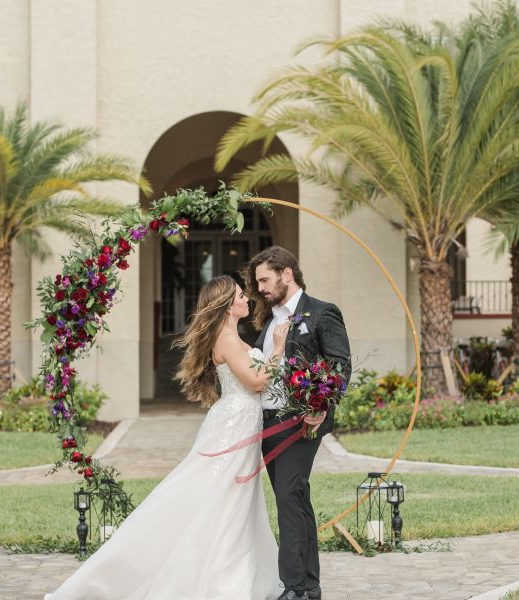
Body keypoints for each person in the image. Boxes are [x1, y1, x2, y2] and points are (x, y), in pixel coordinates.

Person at [45, 274, 288, 600]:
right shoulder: (228, 339)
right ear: (228, 305)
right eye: (240, 295)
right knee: (215, 497)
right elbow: (256, 382)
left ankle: (230, 575)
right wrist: (279, 348)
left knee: (234, 501)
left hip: (241, 423)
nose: (247, 298)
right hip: (233, 426)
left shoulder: (233, 336)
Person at [246, 246, 352, 600]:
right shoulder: (269, 320)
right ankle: (310, 585)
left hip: (304, 420)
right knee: (294, 497)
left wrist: (321, 405)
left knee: (289, 495)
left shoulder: (322, 313)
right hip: (269, 423)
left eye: (264, 279)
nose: (260, 287)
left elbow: (339, 366)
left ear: (286, 274)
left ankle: (293, 587)